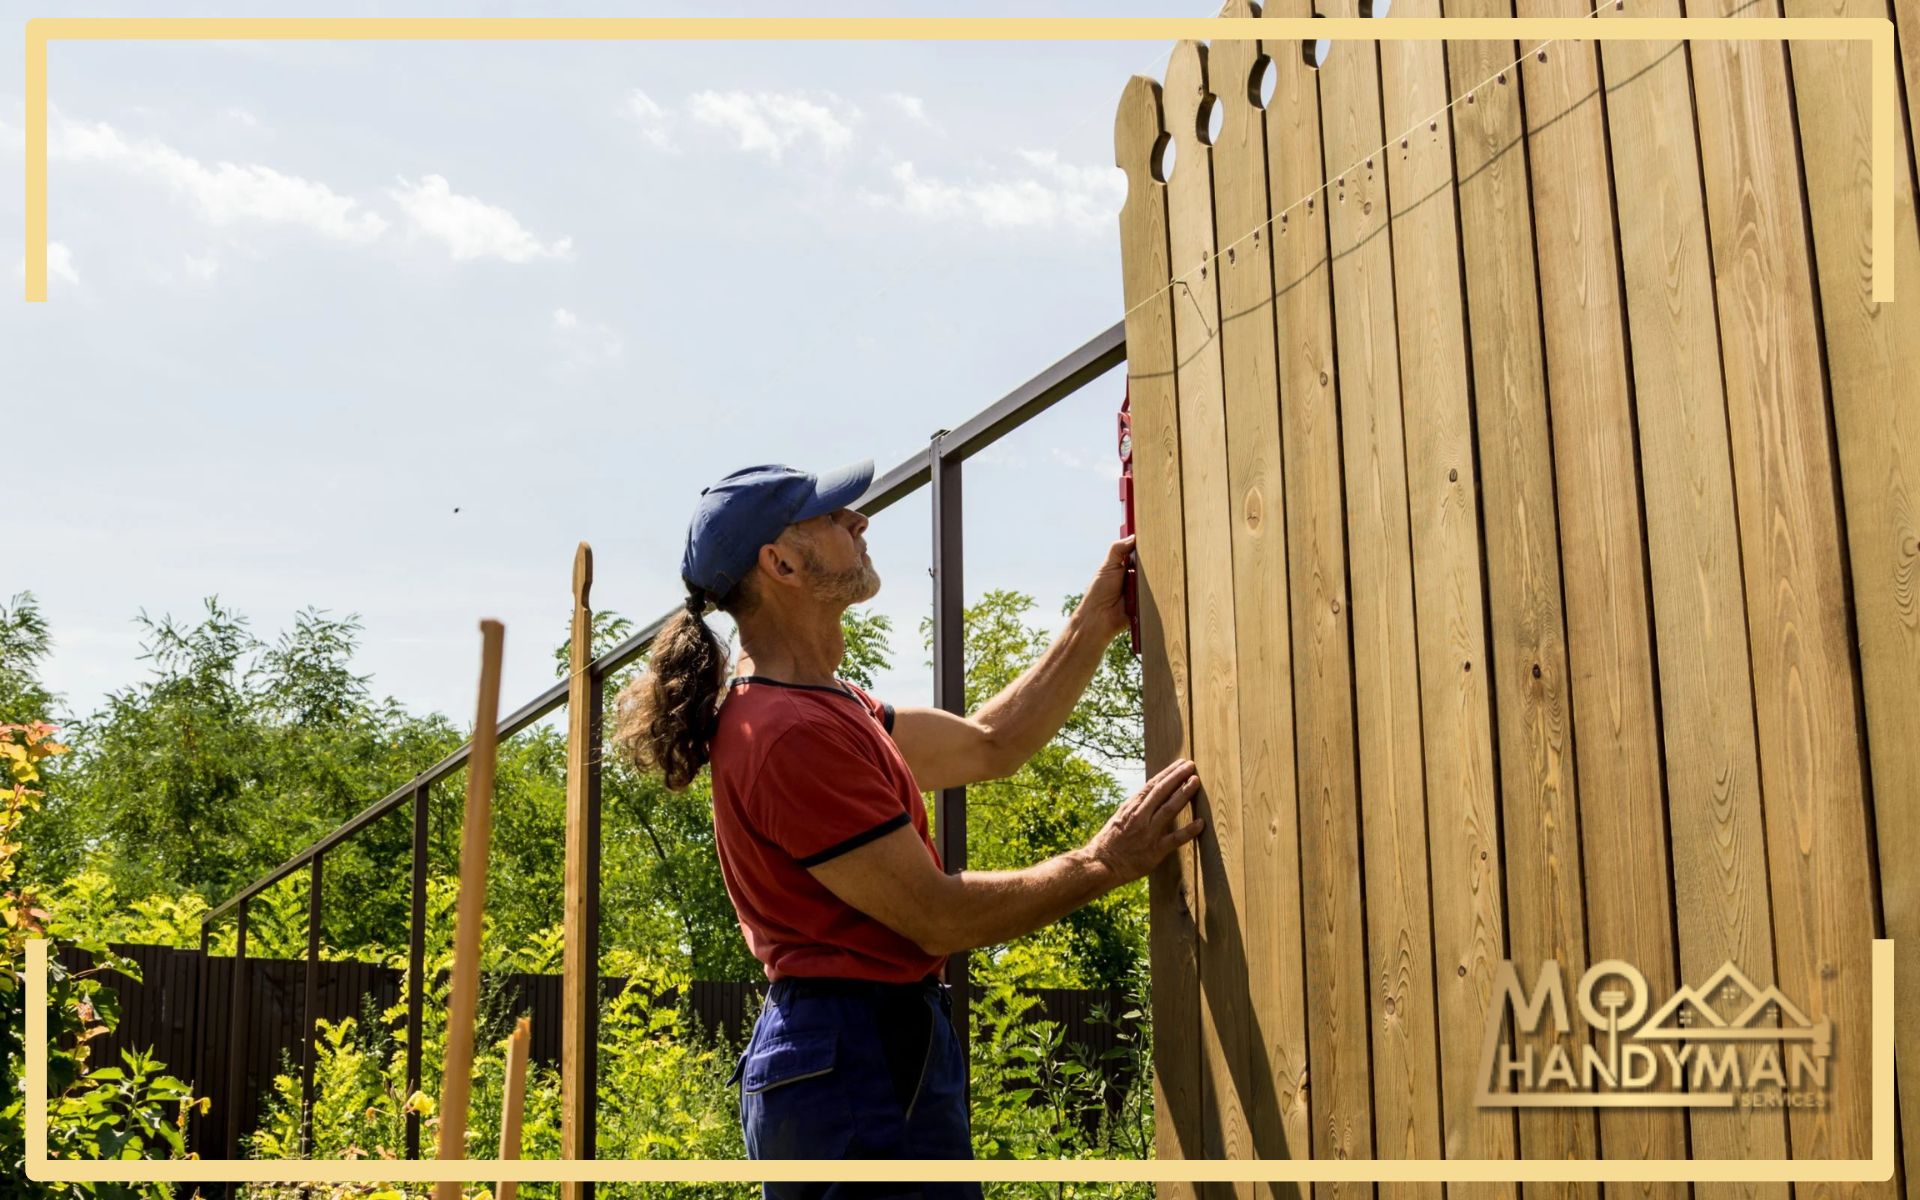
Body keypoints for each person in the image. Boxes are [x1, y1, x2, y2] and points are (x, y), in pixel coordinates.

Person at [610, 459, 1205, 1200]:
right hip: (852, 1055)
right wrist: (1105, 861)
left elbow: (991, 742)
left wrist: (1098, 619)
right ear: (781, 562)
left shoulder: (832, 707)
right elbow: (935, 916)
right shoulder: (788, 733)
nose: (859, 523)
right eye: (833, 517)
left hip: (866, 1049)